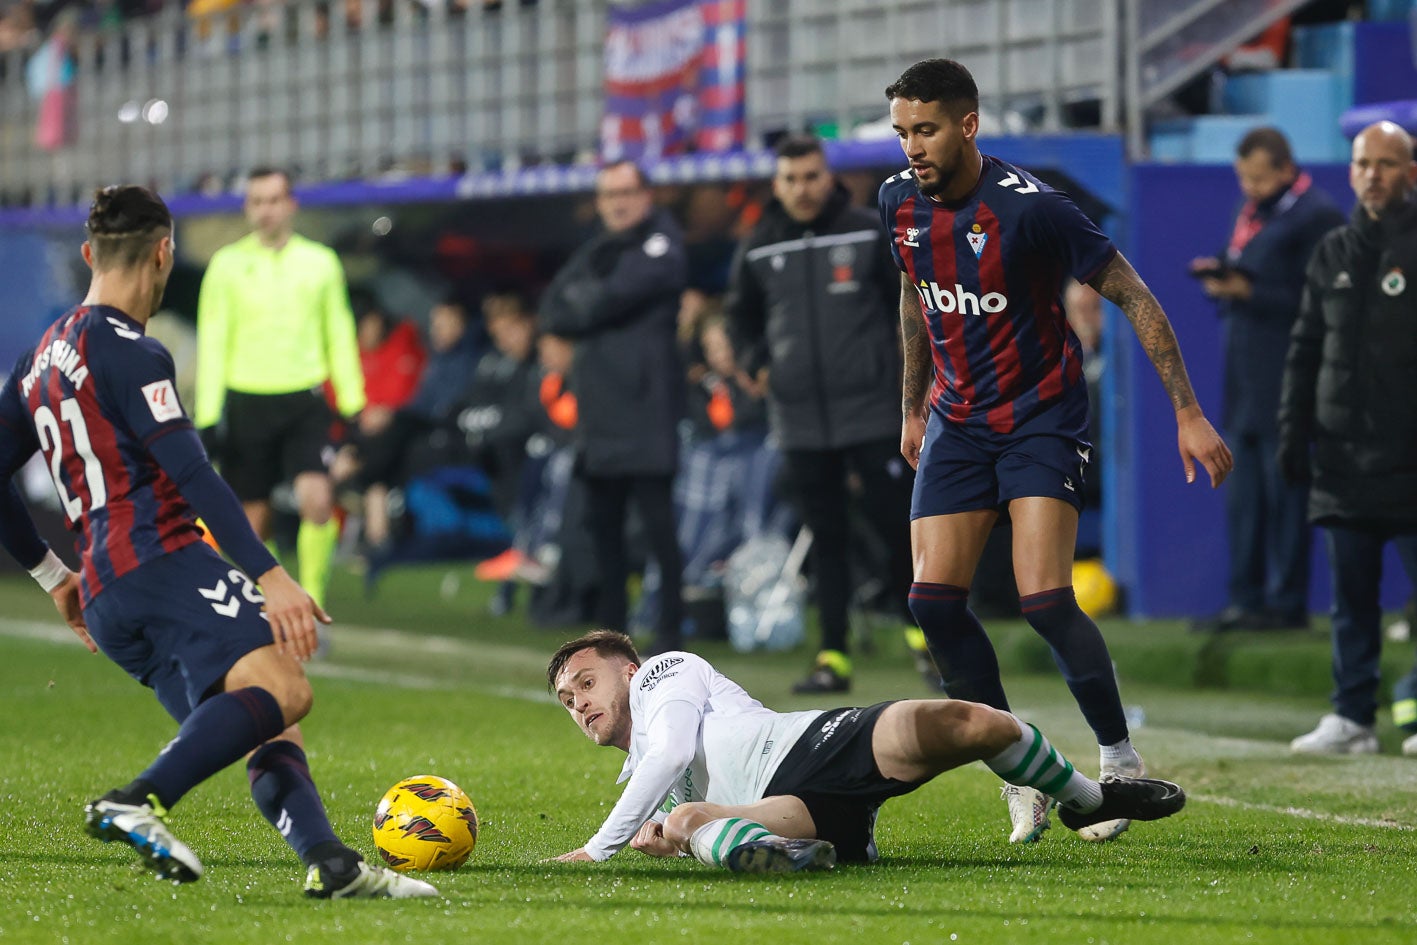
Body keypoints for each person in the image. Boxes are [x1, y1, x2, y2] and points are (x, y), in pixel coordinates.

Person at [0, 186, 433, 899]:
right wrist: (269, 571)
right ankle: (136, 798)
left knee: (260, 721)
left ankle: (331, 861)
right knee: (287, 687)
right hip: (163, 559)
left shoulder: (36, 359)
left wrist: (53, 575)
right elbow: (193, 473)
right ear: (165, 251)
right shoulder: (135, 350)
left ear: (88, 254)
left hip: (109, 598)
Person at [880, 59, 1232, 843]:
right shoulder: (897, 202)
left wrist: (1186, 411)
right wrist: (912, 406)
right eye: (902, 131)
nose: (912, 146)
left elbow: (1133, 293)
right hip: (957, 422)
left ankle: (1117, 760)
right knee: (931, 603)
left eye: (926, 129)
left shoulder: (1033, 209)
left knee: (1043, 600)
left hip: (1040, 416)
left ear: (967, 124)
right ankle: (1022, 772)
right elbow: (913, 289)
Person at [544, 631, 1186, 871]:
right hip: (797, 812)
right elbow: (662, 778)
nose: (579, 703)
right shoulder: (639, 774)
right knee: (688, 821)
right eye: (568, 702)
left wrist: (600, 845)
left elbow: (672, 752)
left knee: (976, 723)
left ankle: (1086, 799)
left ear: (628, 671)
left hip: (810, 746)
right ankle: (794, 857)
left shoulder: (664, 672)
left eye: (586, 683)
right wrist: (662, 834)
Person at [725, 134, 913, 694]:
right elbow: (739, 319)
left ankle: (926, 637)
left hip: (873, 411)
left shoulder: (865, 228)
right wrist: (759, 363)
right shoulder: (758, 245)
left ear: (827, 177)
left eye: (810, 176)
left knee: (894, 526)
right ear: (776, 184)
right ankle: (833, 656)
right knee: (826, 538)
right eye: (790, 179)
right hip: (800, 417)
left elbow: (908, 306)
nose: (802, 189)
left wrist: (905, 382)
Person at [1279, 121, 1417, 755]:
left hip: (1410, 458)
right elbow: (1305, 349)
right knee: (1350, 601)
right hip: (1342, 458)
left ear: (1410, 173)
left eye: (1387, 164)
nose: (1373, 175)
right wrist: (1293, 431)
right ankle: (1351, 718)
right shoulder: (1332, 250)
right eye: (1364, 163)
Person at [1190, 127, 1345, 633]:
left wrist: (1247, 292)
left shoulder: (1317, 215)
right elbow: (1247, 268)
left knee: (1286, 497)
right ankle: (1246, 600)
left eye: (1258, 178)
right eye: (1244, 178)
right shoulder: (1252, 209)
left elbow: (1322, 301)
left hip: (1288, 380)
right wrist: (1222, 277)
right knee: (1246, 498)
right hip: (1246, 379)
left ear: (1285, 169)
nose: (1250, 187)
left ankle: (1285, 604)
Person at [194, 167, 365, 611]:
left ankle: (312, 602)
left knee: (317, 499)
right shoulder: (226, 265)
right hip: (246, 400)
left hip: (302, 400)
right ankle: (263, 606)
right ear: (248, 207)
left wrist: (352, 401)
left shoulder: (320, 262)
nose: (266, 210)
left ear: (291, 204)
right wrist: (208, 416)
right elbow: (213, 341)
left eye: (273, 200)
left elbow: (339, 333)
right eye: (257, 201)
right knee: (251, 521)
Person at [539, 161, 687, 654]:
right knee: (604, 529)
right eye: (608, 195)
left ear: (646, 195)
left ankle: (669, 631)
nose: (618, 202)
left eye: (626, 192)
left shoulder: (663, 243)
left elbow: (597, 302)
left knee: (659, 529)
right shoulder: (598, 249)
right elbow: (556, 307)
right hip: (599, 414)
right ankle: (611, 636)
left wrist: (591, 304)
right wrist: (593, 303)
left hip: (647, 410)